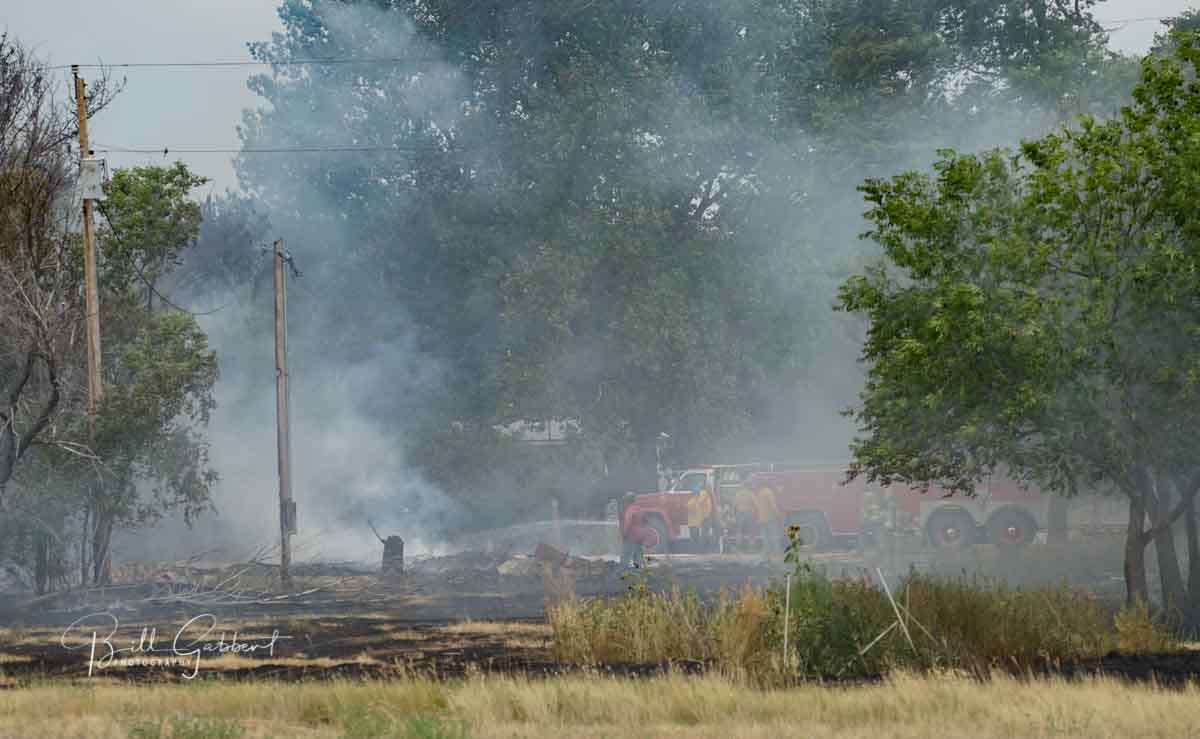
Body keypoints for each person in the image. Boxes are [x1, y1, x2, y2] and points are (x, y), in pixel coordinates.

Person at [754, 485, 783, 557]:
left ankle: (765, 553)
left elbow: (756, 506)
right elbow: (773, 505)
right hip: (770, 518)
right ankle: (777, 552)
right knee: (773, 536)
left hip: (761, 518)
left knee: (765, 537)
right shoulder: (769, 493)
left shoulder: (759, 493)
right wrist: (778, 515)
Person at [734, 485, 758, 551]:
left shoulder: (738, 493)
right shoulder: (751, 493)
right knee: (751, 530)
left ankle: (738, 545)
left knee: (739, 530)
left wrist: (734, 514)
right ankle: (751, 546)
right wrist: (756, 513)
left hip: (740, 512)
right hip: (749, 512)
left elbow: (735, 505)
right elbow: (756, 504)